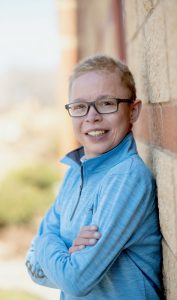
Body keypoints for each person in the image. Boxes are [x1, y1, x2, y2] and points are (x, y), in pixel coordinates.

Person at [25, 54, 162, 299]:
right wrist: (65, 252)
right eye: (79, 106)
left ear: (133, 111)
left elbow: (75, 280)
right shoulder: (73, 174)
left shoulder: (126, 178)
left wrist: (46, 240)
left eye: (106, 103)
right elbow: (32, 267)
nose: (91, 117)